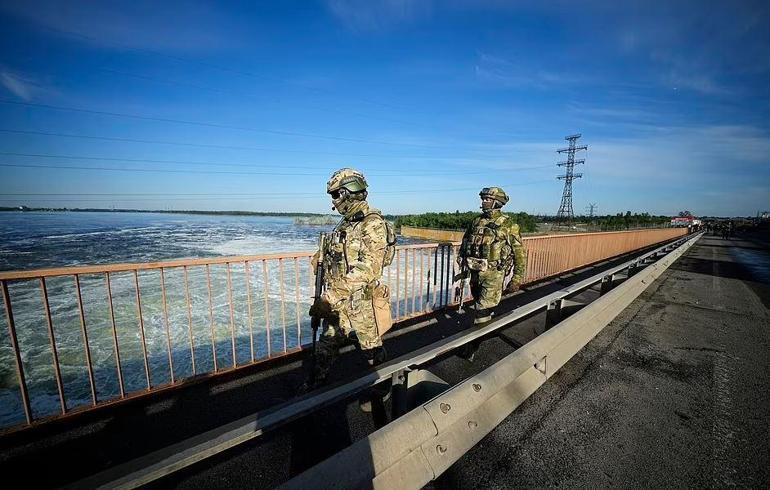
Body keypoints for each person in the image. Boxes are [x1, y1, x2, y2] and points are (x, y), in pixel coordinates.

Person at [303, 168, 395, 398]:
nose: (333, 202)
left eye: (335, 195)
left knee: (371, 349)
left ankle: (382, 388)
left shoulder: (371, 223)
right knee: (326, 344)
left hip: (361, 303)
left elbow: (368, 268)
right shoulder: (345, 224)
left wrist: (330, 297)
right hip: (339, 300)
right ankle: (315, 388)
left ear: (348, 192)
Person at [458, 186, 527, 325]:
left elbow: (519, 254)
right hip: (475, 272)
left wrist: (516, 279)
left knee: (482, 310)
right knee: (480, 304)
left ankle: (474, 342)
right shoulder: (476, 221)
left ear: (497, 202)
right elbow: (466, 241)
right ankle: (489, 325)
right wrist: (462, 257)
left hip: (493, 274)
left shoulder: (508, 225)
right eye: (483, 199)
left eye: (488, 199)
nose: (484, 201)